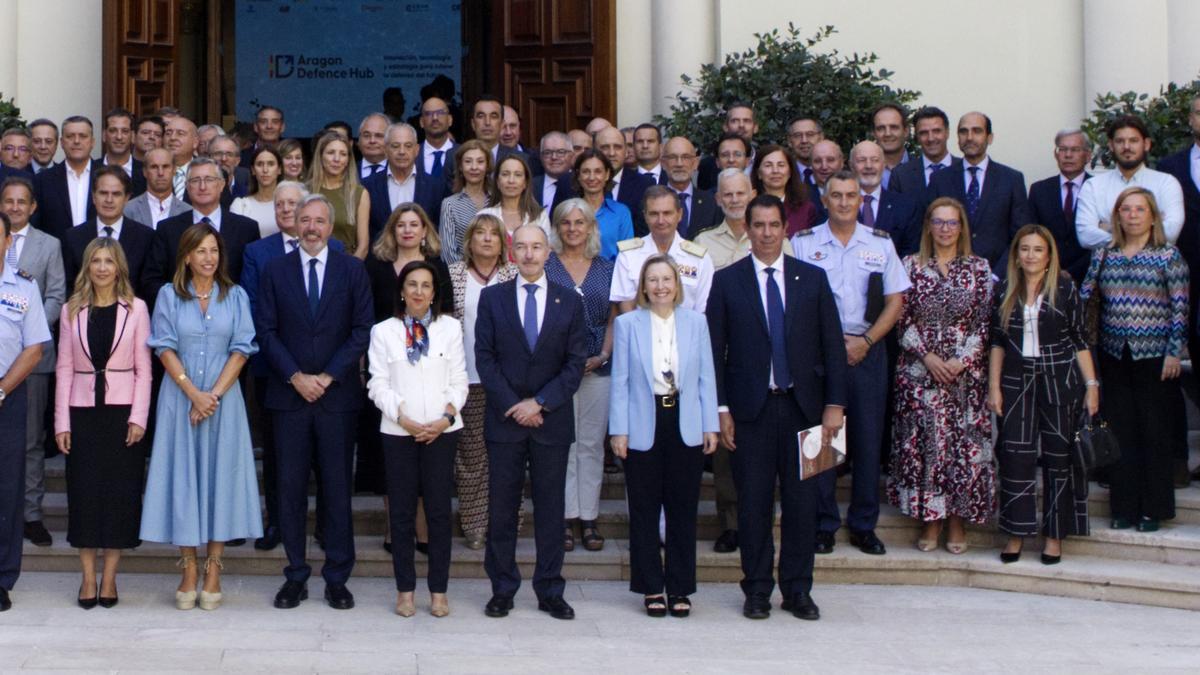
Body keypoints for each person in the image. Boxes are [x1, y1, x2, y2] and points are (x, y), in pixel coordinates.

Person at [708, 194, 847, 621]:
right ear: (747, 229)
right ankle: (756, 589)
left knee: (804, 506)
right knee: (753, 505)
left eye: (773, 225)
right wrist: (722, 409)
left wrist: (834, 406)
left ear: (785, 227)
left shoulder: (813, 278)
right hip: (752, 412)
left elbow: (833, 348)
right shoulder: (727, 281)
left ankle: (798, 590)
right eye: (759, 225)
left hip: (806, 411)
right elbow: (715, 351)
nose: (766, 233)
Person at [256, 194, 373, 611]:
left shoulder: (352, 270)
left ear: (330, 226)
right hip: (288, 398)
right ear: (293, 223)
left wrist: (326, 376)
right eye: (303, 219)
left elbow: (362, 330)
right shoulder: (275, 271)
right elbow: (265, 331)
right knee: (288, 491)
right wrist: (295, 376)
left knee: (337, 489)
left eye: (318, 220)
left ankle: (338, 577)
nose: (310, 227)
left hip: (336, 398)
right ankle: (295, 575)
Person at [139, 223, 261, 611]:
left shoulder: (236, 295)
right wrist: (193, 393)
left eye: (214, 250)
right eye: (201, 251)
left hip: (224, 403)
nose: (209, 258)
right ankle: (188, 567)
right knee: (184, 480)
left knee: (219, 481)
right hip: (180, 401)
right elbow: (163, 346)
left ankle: (214, 569)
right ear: (187, 256)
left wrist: (213, 397)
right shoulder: (169, 296)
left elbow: (242, 348)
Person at [792, 170, 910, 556]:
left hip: (867, 349)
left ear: (861, 201)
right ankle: (823, 523)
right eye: (836, 196)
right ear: (824, 201)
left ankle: (863, 524)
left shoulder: (880, 243)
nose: (843, 202)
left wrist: (867, 340)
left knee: (867, 438)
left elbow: (896, 300)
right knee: (822, 438)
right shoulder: (804, 243)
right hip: (819, 353)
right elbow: (793, 298)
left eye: (850, 196)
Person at [475, 224, 587, 621]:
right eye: (521, 246)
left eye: (536, 246)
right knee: (502, 509)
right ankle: (502, 588)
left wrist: (539, 403)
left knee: (551, 510)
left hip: (550, 421)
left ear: (548, 251)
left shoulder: (569, 302)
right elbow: (484, 359)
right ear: (512, 251)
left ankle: (550, 589)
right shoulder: (492, 299)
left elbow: (575, 365)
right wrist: (515, 405)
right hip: (505, 421)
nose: (528, 254)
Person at [609, 253, 718, 617]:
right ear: (643, 286)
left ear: (677, 285)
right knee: (643, 508)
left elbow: (706, 377)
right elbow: (620, 382)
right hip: (643, 420)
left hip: (684, 420)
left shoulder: (696, 323)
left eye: (666, 280)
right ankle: (651, 587)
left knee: (682, 510)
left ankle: (680, 587)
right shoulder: (627, 325)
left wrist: (710, 425)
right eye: (652, 280)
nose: (660, 287)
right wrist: (618, 430)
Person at [240, 182, 345, 552]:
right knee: (281, 464)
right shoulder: (262, 256)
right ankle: (281, 530)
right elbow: (258, 315)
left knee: (328, 467)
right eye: (282, 205)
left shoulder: (341, 257)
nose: (288, 210)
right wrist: (293, 373)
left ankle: (326, 534)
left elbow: (349, 323)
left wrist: (325, 374)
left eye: (295, 204)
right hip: (278, 374)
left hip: (331, 384)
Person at [888, 197, 995, 553]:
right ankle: (930, 522)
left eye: (952, 223)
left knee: (962, 453)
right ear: (928, 226)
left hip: (965, 379)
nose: (945, 229)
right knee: (928, 451)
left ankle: (957, 523)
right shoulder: (910, 266)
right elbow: (900, 318)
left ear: (962, 227)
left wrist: (961, 360)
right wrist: (928, 356)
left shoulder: (979, 268)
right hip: (919, 375)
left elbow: (985, 322)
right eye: (939, 222)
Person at [1080, 187, 1188, 533]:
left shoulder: (1168, 256)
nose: (1132, 215)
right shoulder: (1104, 254)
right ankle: (1123, 507)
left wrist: (1174, 351)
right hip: (1113, 353)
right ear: (1117, 216)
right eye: (1126, 209)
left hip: (1155, 357)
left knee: (1153, 432)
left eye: (1140, 209)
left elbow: (1180, 307)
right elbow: (1086, 298)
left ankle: (1152, 508)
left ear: (1152, 215)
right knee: (1120, 431)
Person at [988, 224, 1097, 564]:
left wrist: (1092, 386)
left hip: (1060, 381)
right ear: (1016, 255)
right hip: (1017, 382)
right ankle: (1016, 533)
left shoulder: (1065, 287)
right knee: (1015, 458)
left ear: (1049, 255)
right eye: (1024, 249)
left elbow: (1080, 340)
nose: (1031, 255)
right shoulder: (1005, 288)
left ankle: (1054, 536)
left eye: (1038, 249)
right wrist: (993, 387)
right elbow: (997, 341)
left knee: (1058, 462)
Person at [53, 237, 151, 608]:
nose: (102, 268)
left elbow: (145, 370)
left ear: (119, 266)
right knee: (84, 494)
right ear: (87, 267)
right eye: (96, 261)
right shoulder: (71, 309)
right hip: (81, 412)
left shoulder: (137, 309)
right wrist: (61, 421)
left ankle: (109, 578)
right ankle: (87, 578)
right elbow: (63, 368)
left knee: (118, 496)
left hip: (121, 411)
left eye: (109, 261)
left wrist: (139, 417)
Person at [367, 260, 467, 618]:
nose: (419, 292)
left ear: (435, 292)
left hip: (441, 432)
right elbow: (377, 383)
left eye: (426, 285)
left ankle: (438, 590)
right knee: (403, 514)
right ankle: (405, 590)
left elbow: (459, 379)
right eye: (412, 284)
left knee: (439, 512)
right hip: (399, 432)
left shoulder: (451, 329)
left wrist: (444, 418)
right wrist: (404, 418)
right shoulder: (383, 331)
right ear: (401, 290)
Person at [360, 204, 453, 548]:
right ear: (392, 230)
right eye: (402, 225)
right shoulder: (376, 266)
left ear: (425, 230)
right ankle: (393, 527)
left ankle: (424, 529)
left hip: (429, 371)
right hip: (389, 369)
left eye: (415, 224)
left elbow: (446, 316)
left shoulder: (437, 267)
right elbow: (366, 313)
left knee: (427, 458)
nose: (408, 230)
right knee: (390, 457)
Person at [446, 214, 519, 550]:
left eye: (494, 233)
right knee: (472, 456)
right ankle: (475, 525)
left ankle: (506, 523)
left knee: (507, 456)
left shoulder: (513, 276)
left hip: (508, 382)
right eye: (480, 232)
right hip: (468, 379)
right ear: (469, 240)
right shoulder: (453, 275)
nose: (487, 239)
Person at [546, 199, 615, 552]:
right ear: (556, 228)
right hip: (556, 372)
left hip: (597, 367)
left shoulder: (606, 268)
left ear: (590, 228)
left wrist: (603, 354)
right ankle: (564, 516)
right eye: (566, 223)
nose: (573, 229)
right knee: (563, 444)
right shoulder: (546, 266)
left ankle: (588, 517)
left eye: (579, 222)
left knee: (590, 444)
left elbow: (615, 316)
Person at [0, 177, 65, 549]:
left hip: (33, 359)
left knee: (30, 441)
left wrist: (33, 327)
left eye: (22, 201)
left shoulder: (49, 245)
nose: (15, 207)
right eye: (8, 201)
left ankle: (31, 514)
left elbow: (56, 292)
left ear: (33, 206)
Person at [0, 211, 51, 612]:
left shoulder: (23, 288)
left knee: (6, 490)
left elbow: (34, 347)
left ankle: (2, 578)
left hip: (7, 396)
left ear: (8, 242)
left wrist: (1, 389)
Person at [927, 112, 1030, 274]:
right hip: (949, 276)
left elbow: (1020, 235)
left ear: (990, 138)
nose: (969, 137)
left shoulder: (1011, 179)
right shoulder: (940, 179)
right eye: (963, 131)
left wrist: (997, 275)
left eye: (977, 131)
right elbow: (930, 229)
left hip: (998, 276)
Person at [144, 157, 260, 298]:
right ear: (187, 186)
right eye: (195, 181)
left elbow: (253, 283)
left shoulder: (247, 229)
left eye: (209, 180)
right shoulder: (167, 229)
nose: (202, 186)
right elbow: (151, 281)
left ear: (222, 185)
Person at [1076, 115, 1185, 250]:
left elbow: (1171, 232)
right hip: (1108, 269)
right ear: (1111, 145)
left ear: (1146, 144)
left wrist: (1110, 227)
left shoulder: (1166, 183)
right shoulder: (1093, 186)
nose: (1126, 147)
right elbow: (1086, 237)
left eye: (1133, 141)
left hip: (1156, 269)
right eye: (1120, 141)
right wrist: (1151, 227)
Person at [611, 186, 714, 314]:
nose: (661, 221)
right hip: (641, 331)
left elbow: (703, 309)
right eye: (654, 214)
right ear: (645, 216)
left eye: (667, 213)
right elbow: (625, 305)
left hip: (686, 332)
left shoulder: (699, 258)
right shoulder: (628, 255)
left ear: (680, 214)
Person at [64, 168, 155, 305]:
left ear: (127, 198)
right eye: (103, 193)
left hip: (130, 319)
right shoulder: (73, 237)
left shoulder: (145, 237)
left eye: (116, 194)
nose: (109, 200)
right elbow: (69, 287)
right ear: (94, 197)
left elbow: (147, 287)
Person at [1027, 130, 1093, 283]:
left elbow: (1102, 240)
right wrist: (1052, 270)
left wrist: (1073, 272)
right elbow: (1033, 234)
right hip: (1046, 276)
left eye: (1075, 150)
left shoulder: (1098, 188)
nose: (1068, 155)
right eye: (1062, 149)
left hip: (1088, 277)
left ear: (1088, 156)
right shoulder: (1039, 190)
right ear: (1056, 154)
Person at [363, 123, 446, 242]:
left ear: (417, 150)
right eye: (395, 146)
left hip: (423, 258)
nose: (402, 151)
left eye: (408, 146)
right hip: (380, 258)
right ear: (386, 150)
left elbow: (438, 231)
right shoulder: (368, 186)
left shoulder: (436, 187)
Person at [850, 141, 922, 257]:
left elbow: (910, 254)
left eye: (875, 160)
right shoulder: (840, 205)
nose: (869, 166)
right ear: (852, 166)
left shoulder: (905, 207)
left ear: (883, 165)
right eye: (861, 160)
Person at [33, 116, 100, 239]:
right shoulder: (42, 180)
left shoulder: (107, 176)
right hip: (58, 255)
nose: (76, 141)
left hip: (100, 253)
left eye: (83, 136)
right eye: (70, 136)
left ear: (92, 142)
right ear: (62, 142)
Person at [308, 131, 371, 258]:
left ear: (348, 160)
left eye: (343, 154)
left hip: (347, 264)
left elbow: (363, 247)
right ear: (320, 156)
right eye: (331, 153)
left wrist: (350, 272)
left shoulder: (359, 193)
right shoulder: (305, 191)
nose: (337, 159)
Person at [477, 154, 549, 251]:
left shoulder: (540, 216)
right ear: (497, 181)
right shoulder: (484, 216)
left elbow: (546, 253)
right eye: (505, 174)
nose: (511, 180)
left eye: (518, 175)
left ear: (525, 183)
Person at [570, 150, 633, 260]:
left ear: (607, 174)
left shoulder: (621, 213)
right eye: (586, 171)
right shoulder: (568, 211)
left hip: (613, 275)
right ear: (578, 175)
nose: (592, 177)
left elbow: (628, 255)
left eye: (598, 171)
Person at [437, 139, 493, 264]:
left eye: (480, 161)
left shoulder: (497, 200)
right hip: (462, 278)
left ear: (488, 166)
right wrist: (472, 275)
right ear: (460, 167)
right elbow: (447, 253)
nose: (474, 167)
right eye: (468, 162)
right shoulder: (449, 204)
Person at [593, 126, 653, 236]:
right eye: (605, 147)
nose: (611, 153)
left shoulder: (644, 185)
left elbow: (645, 233)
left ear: (626, 152)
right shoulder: (574, 183)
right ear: (594, 151)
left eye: (617, 147)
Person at [889, 106, 959, 197]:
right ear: (917, 137)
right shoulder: (901, 176)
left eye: (936, 131)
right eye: (924, 133)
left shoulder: (965, 169)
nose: (931, 138)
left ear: (947, 132)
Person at [696, 169, 756, 274]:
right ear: (718, 199)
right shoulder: (702, 241)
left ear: (752, 196)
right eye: (728, 194)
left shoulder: (770, 238)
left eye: (740, 193)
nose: (735, 200)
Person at [751, 144, 817, 237]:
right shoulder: (749, 207)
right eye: (768, 165)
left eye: (781, 165)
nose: (775, 170)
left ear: (790, 172)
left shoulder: (806, 209)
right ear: (759, 173)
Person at [662, 137, 722, 239]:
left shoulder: (711, 202)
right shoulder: (650, 202)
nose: (679, 164)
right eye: (673, 157)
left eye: (685, 157)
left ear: (695, 163)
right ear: (663, 163)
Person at [123, 147, 192, 230]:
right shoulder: (128, 210)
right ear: (145, 171)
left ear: (174, 170)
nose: (160, 173)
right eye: (154, 167)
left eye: (165, 166)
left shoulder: (187, 211)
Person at [697, 103, 757, 191]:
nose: (741, 125)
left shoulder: (764, 161)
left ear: (755, 128)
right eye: (735, 121)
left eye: (746, 121)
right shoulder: (707, 166)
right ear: (725, 127)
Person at [231, 146, 283, 237]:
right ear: (253, 170)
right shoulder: (241, 205)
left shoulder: (289, 205)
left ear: (279, 169)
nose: (265, 170)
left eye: (271, 164)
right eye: (259, 164)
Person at [100, 108, 145, 195]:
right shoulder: (91, 171)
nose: (119, 137)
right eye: (113, 131)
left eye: (125, 131)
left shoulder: (145, 171)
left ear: (132, 136)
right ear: (104, 135)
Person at [532, 132, 575, 212]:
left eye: (561, 152)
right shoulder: (530, 186)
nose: (554, 157)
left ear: (572, 155)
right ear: (540, 157)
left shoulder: (579, 183)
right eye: (547, 153)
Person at [871, 103, 910, 190]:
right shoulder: (861, 172)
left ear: (906, 131)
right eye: (881, 128)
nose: (887, 134)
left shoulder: (922, 171)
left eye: (894, 127)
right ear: (873, 133)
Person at [417, 96, 455, 179]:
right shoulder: (412, 155)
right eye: (428, 114)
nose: (435, 118)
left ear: (450, 120)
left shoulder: (463, 153)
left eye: (440, 112)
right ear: (421, 122)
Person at [785, 116, 823, 188]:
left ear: (821, 138)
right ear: (789, 141)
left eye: (810, 134)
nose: (804, 140)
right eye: (798, 135)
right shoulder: (783, 176)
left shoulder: (833, 174)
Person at [356, 113, 390, 180]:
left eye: (378, 136)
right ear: (359, 141)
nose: (372, 141)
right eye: (366, 135)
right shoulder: (346, 172)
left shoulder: (399, 170)